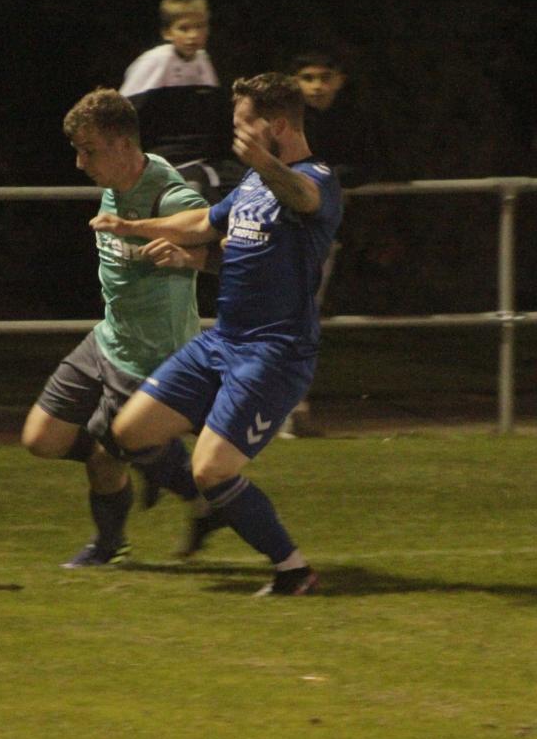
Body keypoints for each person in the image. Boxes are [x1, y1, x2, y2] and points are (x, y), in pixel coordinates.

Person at [91, 73, 343, 595]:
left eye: (243, 125)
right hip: (222, 342)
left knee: (211, 470)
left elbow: (302, 199)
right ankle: (217, 503)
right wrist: (137, 228)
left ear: (276, 126)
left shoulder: (315, 179)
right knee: (130, 431)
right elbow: (207, 224)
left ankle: (293, 570)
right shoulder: (252, 183)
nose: (236, 137)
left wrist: (264, 162)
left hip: (273, 354)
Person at [21, 88, 217, 568]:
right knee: (41, 439)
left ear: (124, 144)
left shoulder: (168, 194)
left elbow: (210, 228)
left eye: (89, 150)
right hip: (108, 338)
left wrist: (182, 251)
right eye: (78, 150)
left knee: (107, 454)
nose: (80, 163)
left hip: (152, 357)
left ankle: (111, 543)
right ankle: (153, 462)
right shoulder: (117, 180)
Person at [279, 51, 384, 437]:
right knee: (282, 317)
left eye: (325, 77)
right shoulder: (284, 120)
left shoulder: (354, 121)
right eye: (308, 77)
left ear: (339, 80)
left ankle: (291, 408)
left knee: (300, 316)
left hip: (321, 232)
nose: (317, 86)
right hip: (282, 227)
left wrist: (324, 179)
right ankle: (281, 408)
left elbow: (371, 165)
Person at [119, 0, 240, 201]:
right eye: (184, 28)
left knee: (253, 183)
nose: (193, 35)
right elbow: (122, 114)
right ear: (167, 32)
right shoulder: (154, 62)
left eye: (199, 27)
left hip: (204, 158)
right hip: (166, 159)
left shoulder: (203, 61)